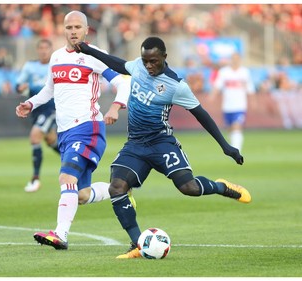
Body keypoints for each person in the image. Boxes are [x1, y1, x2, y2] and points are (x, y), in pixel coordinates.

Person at [74, 37, 252, 259]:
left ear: (164, 58)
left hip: (161, 143)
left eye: (154, 61)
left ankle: (222, 187)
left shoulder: (176, 85)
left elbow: (201, 114)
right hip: (136, 144)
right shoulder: (138, 66)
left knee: (189, 188)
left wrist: (226, 146)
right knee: (117, 187)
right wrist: (89, 50)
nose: (148, 65)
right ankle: (137, 244)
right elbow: (118, 64)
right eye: (146, 60)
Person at [15, 11, 131, 250]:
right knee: (80, 194)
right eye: (69, 27)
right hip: (65, 131)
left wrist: (116, 107)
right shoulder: (57, 57)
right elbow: (49, 90)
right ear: (64, 30)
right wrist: (31, 104)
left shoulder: (94, 56)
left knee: (66, 178)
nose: (74, 31)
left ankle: (61, 235)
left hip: (88, 127)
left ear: (87, 30)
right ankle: (121, 188)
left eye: (78, 27)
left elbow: (123, 82)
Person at [16, 39, 59, 193]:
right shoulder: (30, 66)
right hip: (36, 109)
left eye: (46, 48)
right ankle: (75, 161)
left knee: (35, 136)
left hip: (51, 107)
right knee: (51, 140)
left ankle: (35, 179)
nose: (43, 51)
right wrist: (21, 87)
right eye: (40, 48)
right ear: (37, 50)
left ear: (51, 49)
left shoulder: (56, 64)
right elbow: (18, 84)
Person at [210, 52, 256, 152]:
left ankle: (236, 150)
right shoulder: (224, 72)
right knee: (230, 128)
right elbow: (218, 86)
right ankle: (233, 147)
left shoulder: (245, 72)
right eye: (233, 58)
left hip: (240, 105)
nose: (235, 60)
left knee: (237, 126)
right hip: (227, 106)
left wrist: (253, 101)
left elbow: (250, 88)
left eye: (237, 58)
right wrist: (212, 96)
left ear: (240, 60)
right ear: (231, 59)